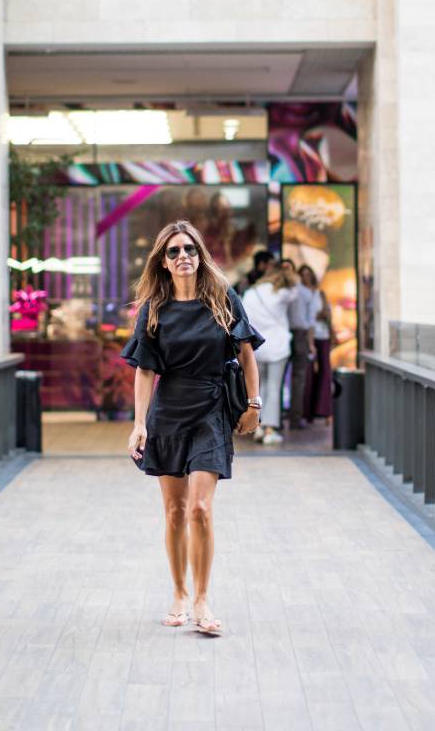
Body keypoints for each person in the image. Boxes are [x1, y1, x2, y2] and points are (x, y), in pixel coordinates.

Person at [122, 220, 264, 636]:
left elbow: (246, 352)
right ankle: (179, 593)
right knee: (174, 511)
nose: (183, 256)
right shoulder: (154, 310)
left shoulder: (223, 298)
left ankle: (203, 600)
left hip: (211, 410)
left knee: (200, 509)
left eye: (189, 249)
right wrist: (139, 425)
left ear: (200, 255)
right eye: (173, 251)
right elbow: (145, 372)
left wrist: (253, 403)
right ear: (163, 263)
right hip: (168, 413)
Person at [242, 262, 298, 444]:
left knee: (257, 388)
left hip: (256, 348)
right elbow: (296, 289)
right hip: (278, 346)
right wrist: (289, 273)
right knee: (273, 387)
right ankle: (269, 429)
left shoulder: (251, 293)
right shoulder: (282, 293)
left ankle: (257, 426)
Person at [281, 258, 314, 429]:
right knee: (298, 378)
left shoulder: (279, 291)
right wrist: (311, 343)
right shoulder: (304, 292)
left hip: (285, 334)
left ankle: (277, 418)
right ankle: (295, 418)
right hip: (298, 335)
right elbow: (310, 321)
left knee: (278, 377)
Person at [300, 264, 332, 423]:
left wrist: (325, 314)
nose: (306, 277)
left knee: (326, 371)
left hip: (323, 335)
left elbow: (328, 312)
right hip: (308, 336)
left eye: (308, 274)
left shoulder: (321, 294)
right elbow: (305, 317)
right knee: (308, 373)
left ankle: (325, 410)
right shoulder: (301, 294)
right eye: (303, 274)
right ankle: (307, 412)